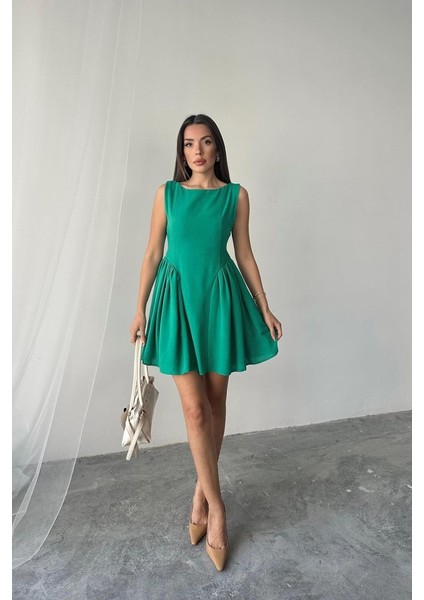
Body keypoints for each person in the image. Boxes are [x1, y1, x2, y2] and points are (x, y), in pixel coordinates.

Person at [129, 114, 283, 571]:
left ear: (218, 149)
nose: (197, 151)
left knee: (214, 404)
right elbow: (153, 253)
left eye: (206, 142)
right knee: (195, 411)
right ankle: (217, 510)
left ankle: (200, 493)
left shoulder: (236, 196)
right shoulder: (167, 194)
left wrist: (264, 306)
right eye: (188, 143)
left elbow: (244, 253)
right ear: (181, 151)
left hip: (218, 299)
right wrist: (139, 308)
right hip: (176, 300)